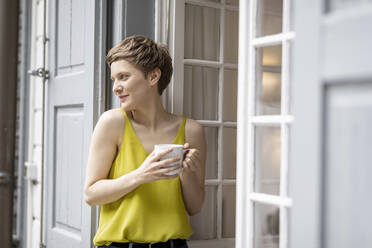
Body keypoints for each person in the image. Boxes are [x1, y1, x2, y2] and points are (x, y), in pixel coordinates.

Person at [84, 35, 206, 248]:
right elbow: (91, 194)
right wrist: (141, 175)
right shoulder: (112, 123)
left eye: (123, 77)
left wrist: (188, 173)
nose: (116, 87)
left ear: (153, 77)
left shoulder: (192, 131)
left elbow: (194, 207)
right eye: (114, 79)